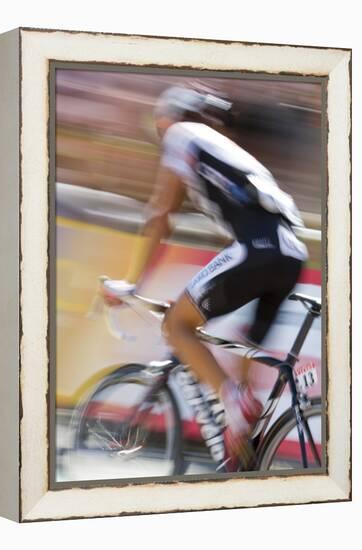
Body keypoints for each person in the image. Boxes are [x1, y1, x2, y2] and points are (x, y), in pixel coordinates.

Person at [103, 86, 308, 468]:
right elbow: (231, 256)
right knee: (241, 353)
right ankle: (243, 457)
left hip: (257, 249)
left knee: (177, 327)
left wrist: (132, 284)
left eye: (159, 123)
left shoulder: (182, 136)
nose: (159, 132)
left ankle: (235, 404)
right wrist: (188, 299)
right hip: (291, 253)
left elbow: (160, 215)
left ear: (168, 118)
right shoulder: (226, 151)